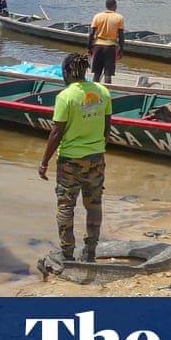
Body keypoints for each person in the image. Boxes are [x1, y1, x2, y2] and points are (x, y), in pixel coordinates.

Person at [36, 53, 112, 278]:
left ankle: (67, 254)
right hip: (96, 158)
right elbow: (107, 127)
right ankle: (90, 252)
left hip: (70, 161)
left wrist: (44, 162)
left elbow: (56, 132)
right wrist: (98, 147)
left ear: (67, 72)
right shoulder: (103, 92)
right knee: (94, 205)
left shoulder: (65, 97)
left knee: (66, 207)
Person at [87, 0, 125, 83]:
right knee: (108, 74)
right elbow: (121, 36)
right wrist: (121, 49)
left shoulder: (97, 16)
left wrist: (89, 48)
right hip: (110, 48)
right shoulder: (119, 18)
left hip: (98, 47)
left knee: (97, 73)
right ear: (115, 6)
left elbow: (91, 34)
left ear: (106, 6)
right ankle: (108, 90)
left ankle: (95, 90)